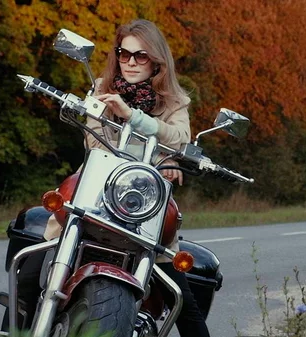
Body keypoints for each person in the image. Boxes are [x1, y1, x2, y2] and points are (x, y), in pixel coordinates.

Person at [83, 19, 210, 337]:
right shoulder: (101, 88)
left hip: (144, 209)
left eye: (140, 56)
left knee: (181, 300)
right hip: (97, 193)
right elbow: (96, 143)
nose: (130, 62)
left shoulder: (175, 101)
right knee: (40, 252)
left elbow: (179, 137)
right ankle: (18, 323)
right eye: (124, 54)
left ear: (156, 60)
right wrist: (160, 158)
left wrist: (131, 116)